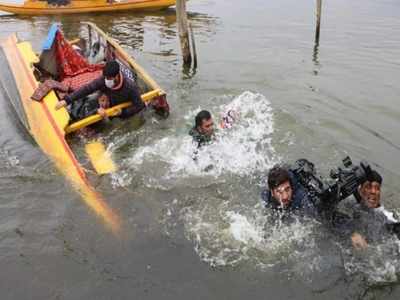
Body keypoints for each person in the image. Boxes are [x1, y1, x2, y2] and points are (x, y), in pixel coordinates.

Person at [55, 60, 145, 119]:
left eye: (109, 78)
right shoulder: (103, 80)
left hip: (118, 109)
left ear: (117, 76)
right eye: (105, 77)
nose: (106, 80)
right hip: (104, 101)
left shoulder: (130, 87)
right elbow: (87, 88)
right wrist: (66, 100)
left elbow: (139, 105)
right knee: (84, 105)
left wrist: (122, 112)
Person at [346, 170, 400, 249]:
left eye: (377, 188)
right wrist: (352, 233)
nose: (373, 192)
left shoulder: (386, 216)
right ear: (360, 190)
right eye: (368, 187)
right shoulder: (350, 203)